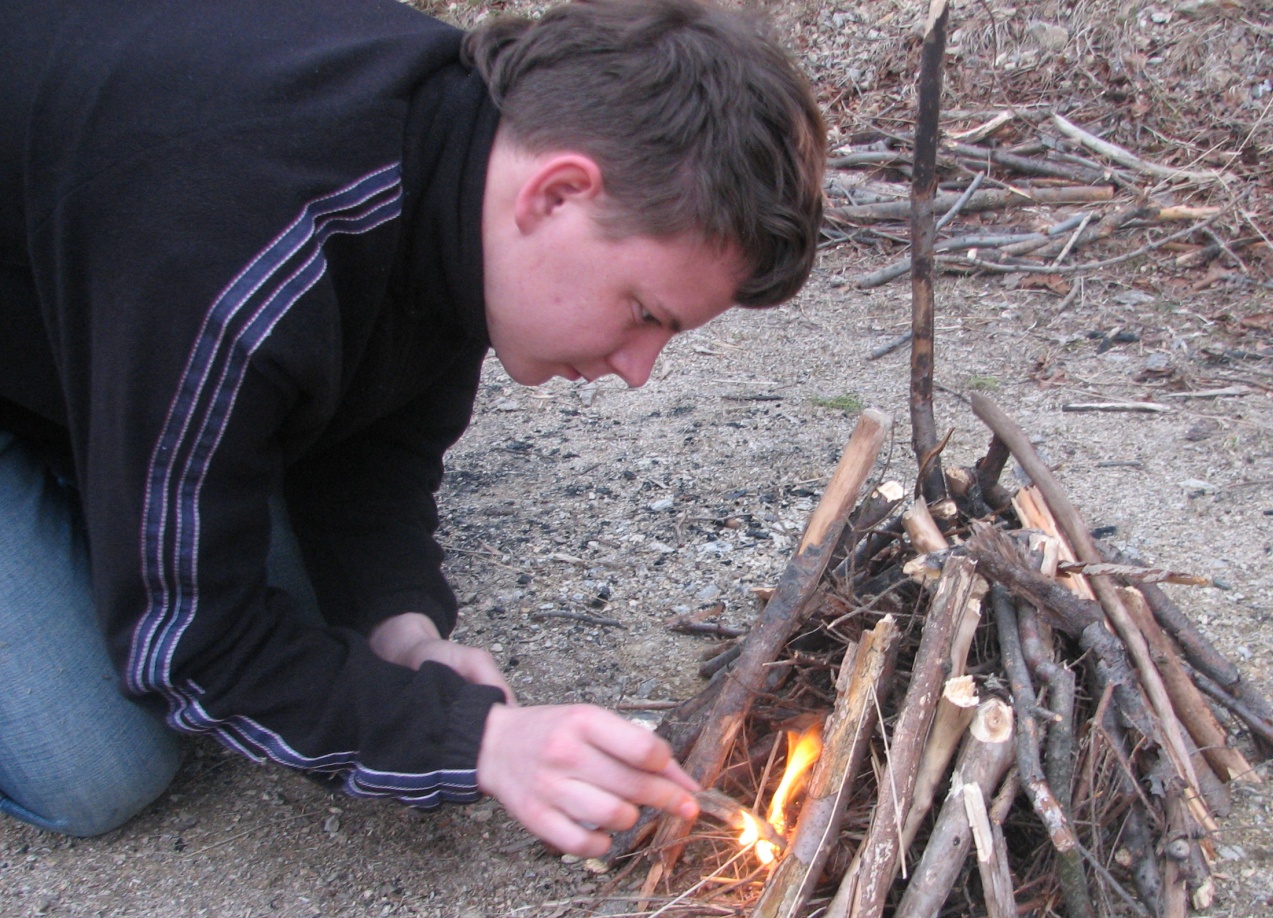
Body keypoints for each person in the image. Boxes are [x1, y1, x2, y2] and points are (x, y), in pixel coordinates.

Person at [0, 0, 825, 855]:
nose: (638, 367)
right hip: (55, 349)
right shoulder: (246, 255)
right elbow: (184, 647)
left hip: (114, 315)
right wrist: (480, 743)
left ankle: (109, 469)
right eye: (645, 313)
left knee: (322, 622)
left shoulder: (459, 155)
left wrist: (400, 622)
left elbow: (376, 428)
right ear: (557, 193)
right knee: (102, 765)